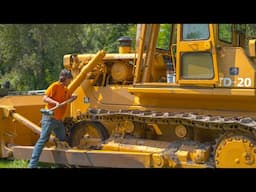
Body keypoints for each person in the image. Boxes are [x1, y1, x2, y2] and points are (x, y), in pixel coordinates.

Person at [28, 69, 77, 168]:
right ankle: (32, 165)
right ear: (64, 78)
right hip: (49, 118)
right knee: (42, 140)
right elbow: (45, 98)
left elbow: (68, 98)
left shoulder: (66, 90)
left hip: (58, 120)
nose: (70, 81)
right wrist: (55, 103)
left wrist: (72, 98)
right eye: (69, 79)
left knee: (63, 141)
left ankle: (62, 164)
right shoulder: (55, 86)